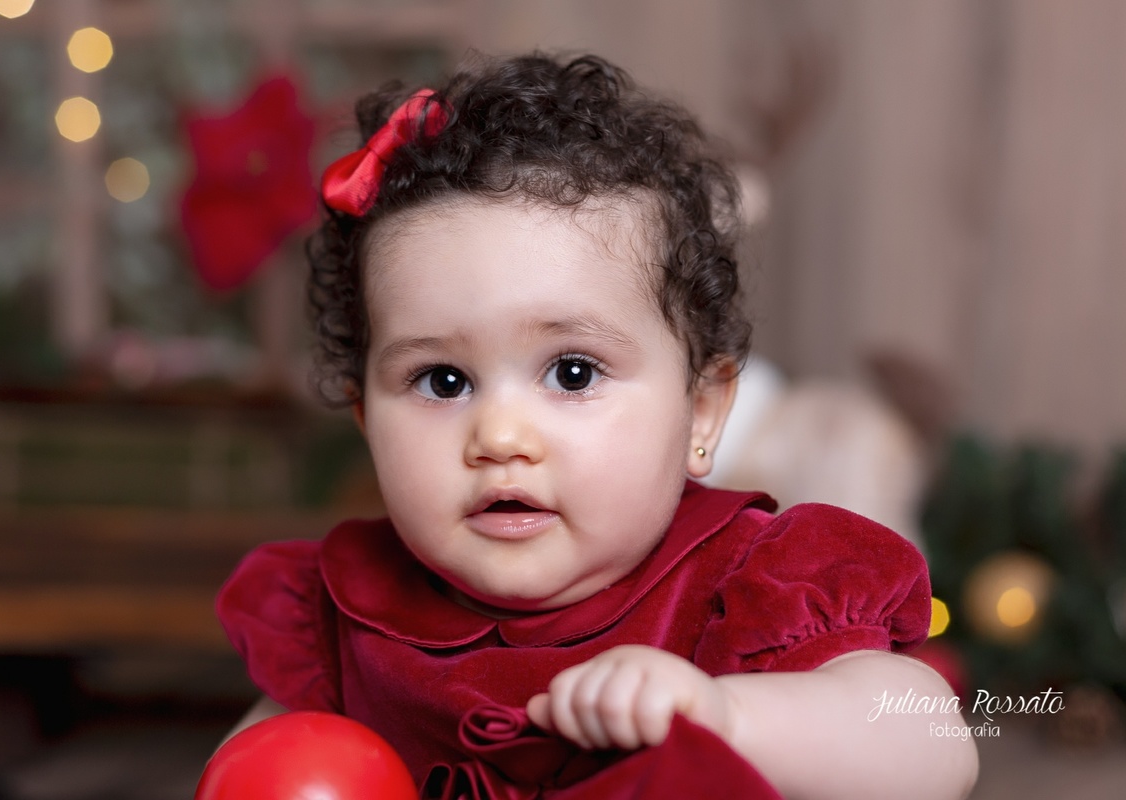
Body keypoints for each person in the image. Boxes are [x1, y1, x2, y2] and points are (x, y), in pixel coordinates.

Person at [217, 52, 978, 799]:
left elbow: (933, 746)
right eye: (442, 381)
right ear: (364, 418)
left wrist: (731, 715)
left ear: (702, 412)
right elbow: (254, 765)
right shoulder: (345, 614)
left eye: (572, 373)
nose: (501, 437)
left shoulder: (748, 589)